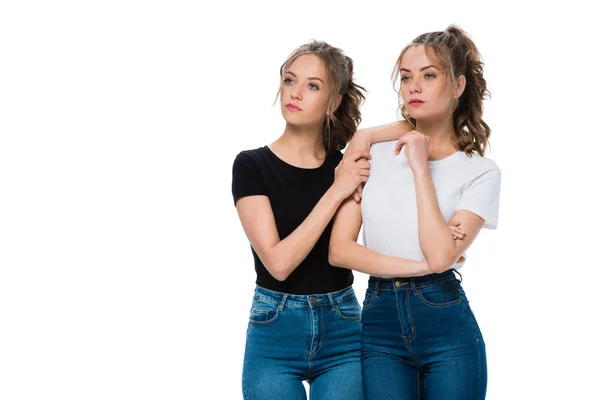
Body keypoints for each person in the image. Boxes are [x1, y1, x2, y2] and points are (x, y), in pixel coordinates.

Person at [329, 25, 501, 399]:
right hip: (379, 322)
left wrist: (421, 168)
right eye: (406, 78)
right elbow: (340, 250)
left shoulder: (481, 172)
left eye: (429, 75)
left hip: (446, 323)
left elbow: (440, 255)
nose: (413, 87)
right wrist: (420, 266)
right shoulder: (374, 155)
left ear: (457, 87)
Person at [231, 40, 371, 400]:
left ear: (333, 102)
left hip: (342, 326)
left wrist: (448, 241)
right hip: (274, 330)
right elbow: (278, 263)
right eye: (290, 80)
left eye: (312, 85)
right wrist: (337, 190)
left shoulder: (347, 167)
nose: (295, 93)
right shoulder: (251, 165)